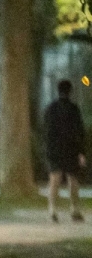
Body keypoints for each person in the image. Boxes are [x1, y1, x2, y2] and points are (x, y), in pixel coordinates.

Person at [44, 80, 86, 223]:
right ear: (70, 91)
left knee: (54, 179)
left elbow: (47, 131)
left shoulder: (51, 108)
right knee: (72, 180)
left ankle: (52, 209)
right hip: (71, 148)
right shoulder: (74, 109)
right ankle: (74, 209)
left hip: (55, 148)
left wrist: (48, 148)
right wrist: (81, 152)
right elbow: (79, 131)